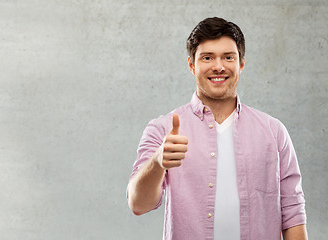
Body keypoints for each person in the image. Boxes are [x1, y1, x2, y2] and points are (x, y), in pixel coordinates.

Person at [127, 17, 307, 240]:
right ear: (192, 65)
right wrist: (157, 162)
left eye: (228, 57)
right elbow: (138, 204)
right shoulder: (162, 130)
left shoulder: (274, 132)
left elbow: (293, 213)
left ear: (241, 63)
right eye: (207, 57)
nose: (219, 66)